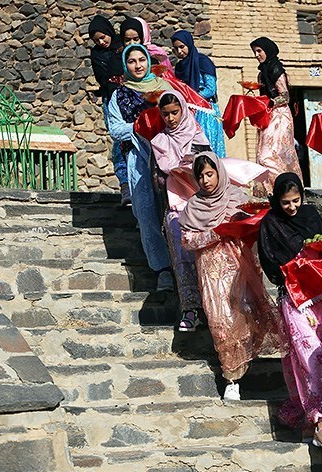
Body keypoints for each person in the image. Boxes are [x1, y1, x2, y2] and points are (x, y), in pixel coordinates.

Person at [257, 172, 322, 451]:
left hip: (321, 300)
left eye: (296, 200)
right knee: (307, 360)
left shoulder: (311, 216)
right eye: (286, 202)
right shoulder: (270, 224)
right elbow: (270, 266)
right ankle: (319, 422)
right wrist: (297, 268)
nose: (292, 207)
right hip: (294, 300)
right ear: (277, 200)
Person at [181, 152, 281, 401]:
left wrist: (242, 225)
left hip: (240, 265)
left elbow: (255, 221)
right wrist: (216, 233)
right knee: (221, 321)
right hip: (211, 270)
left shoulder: (236, 198)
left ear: (219, 173)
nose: (205, 180)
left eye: (210, 174)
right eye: (200, 176)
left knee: (244, 313)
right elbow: (187, 241)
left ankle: (246, 362)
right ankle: (231, 378)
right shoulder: (193, 207)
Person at [106, 43, 175, 292]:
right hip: (138, 158)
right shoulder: (120, 95)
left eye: (141, 60)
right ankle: (163, 269)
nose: (138, 65)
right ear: (126, 65)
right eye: (132, 61)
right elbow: (115, 129)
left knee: (173, 209)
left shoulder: (165, 88)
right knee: (146, 212)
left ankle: (183, 266)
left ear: (148, 61)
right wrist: (141, 125)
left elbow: (180, 116)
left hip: (169, 155)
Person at [151, 89, 211, 332]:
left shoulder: (198, 136)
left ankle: (213, 309)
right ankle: (191, 309)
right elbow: (158, 179)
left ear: (184, 110)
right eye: (166, 114)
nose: (171, 118)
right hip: (177, 207)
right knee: (183, 254)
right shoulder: (160, 142)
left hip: (204, 205)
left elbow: (211, 169)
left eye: (175, 112)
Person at [249, 37, 302, 189]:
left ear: (268, 50)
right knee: (262, 154)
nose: (256, 55)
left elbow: (285, 96)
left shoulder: (276, 69)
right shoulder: (261, 73)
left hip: (280, 116)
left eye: (259, 51)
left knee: (273, 154)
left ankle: (286, 188)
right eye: (254, 52)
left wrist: (270, 103)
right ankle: (270, 191)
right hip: (267, 116)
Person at [88, 15, 129, 206]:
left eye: (103, 37)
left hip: (131, 97)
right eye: (97, 40)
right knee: (119, 138)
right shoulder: (97, 54)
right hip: (110, 99)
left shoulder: (125, 47)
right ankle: (125, 184)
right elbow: (102, 79)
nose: (101, 42)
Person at [171, 30, 226, 158]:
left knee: (208, 151)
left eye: (182, 47)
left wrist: (191, 96)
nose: (179, 52)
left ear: (189, 44)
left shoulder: (203, 62)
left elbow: (210, 89)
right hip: (188, 113)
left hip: (205, 111)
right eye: (176, 48)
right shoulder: (179, 67)